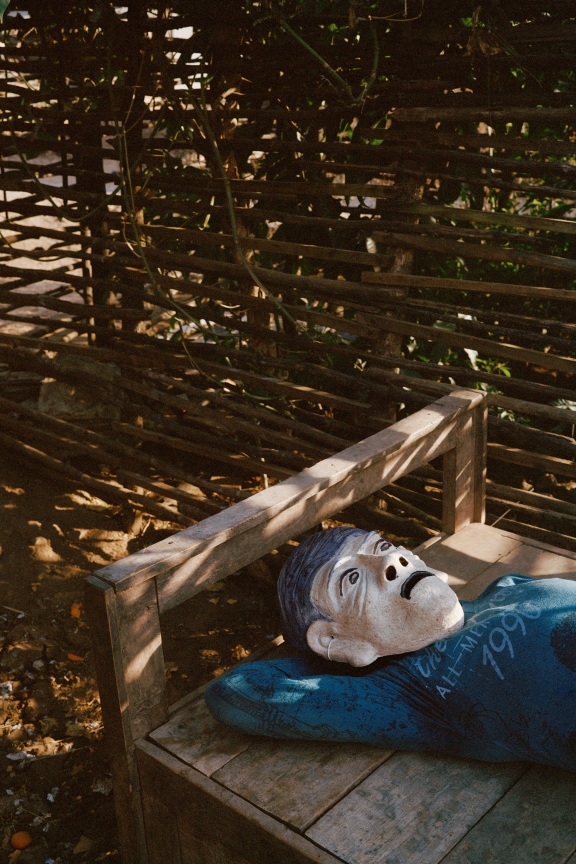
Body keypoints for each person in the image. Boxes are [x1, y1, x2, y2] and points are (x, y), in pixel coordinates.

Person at [205, 527, 576, 771]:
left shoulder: (505, 587)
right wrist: (347, 654)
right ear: (332, 639)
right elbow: (235, 693)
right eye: (352, 578)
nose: (390, 560)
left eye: (381, 546)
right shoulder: (408, 694)